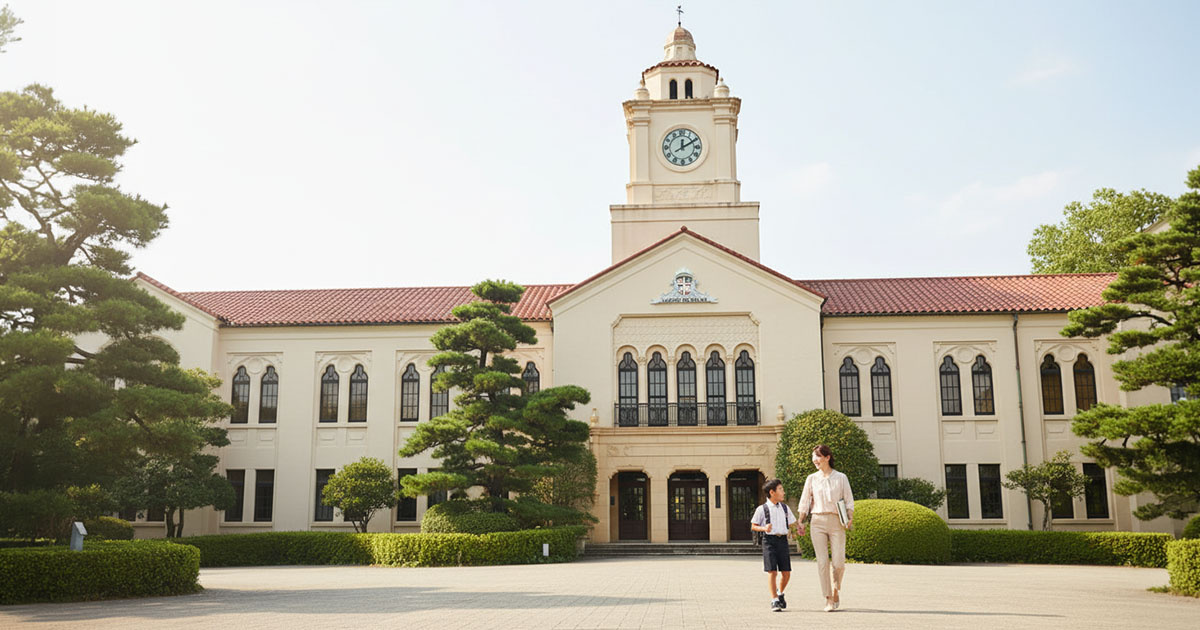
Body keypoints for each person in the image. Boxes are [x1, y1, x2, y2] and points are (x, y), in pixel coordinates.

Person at [797, 444, 854, 612]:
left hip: (837, 521)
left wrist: (850, 518)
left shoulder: (841, 477)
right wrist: (801, 520)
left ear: (827, 457)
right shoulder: (811, 479)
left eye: (818, 456)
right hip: (817, 521)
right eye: (813, 457)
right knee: (822, 562)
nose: (815, 460)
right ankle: (828, 598)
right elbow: (805, 501)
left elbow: (848, 499)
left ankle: (836, 589)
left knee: (839, 563)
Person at [749, 478, 797, 612]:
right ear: (772, 492)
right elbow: (753, 526)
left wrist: (798, 528)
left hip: (782, 541)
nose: (783, 492)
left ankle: (780, 592)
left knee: (786, 573)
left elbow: (793, 523)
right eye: (781, 489)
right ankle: (774, 599)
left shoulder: (785, 508)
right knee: (772, 571)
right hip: (769, 541)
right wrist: (764, 528)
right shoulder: (762, 509)